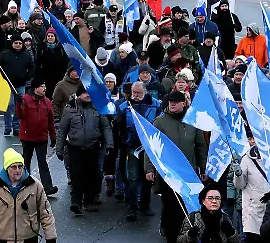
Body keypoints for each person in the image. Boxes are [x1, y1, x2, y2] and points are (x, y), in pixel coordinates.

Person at [148, 92, 208, 243]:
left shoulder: (192, 122)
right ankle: (172, 240)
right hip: (168, 173)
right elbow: (151, 148)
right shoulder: (160, 122)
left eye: (175, 102)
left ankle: (187, 236)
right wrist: (149, 169)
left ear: (184, 103)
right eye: (170, 102)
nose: (172, 105)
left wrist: (203, 169)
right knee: (171, 206)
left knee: (190, 205)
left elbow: (201, 147)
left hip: (189, 173)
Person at [57, 84, 113, 216]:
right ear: (79, 94)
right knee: (77, 175)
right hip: (75, 148)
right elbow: (62, 129)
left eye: (89, 93)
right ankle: (76, 203)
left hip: (93, 147)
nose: (87, 95)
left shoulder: (98, 107)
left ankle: (88, 201)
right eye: (84, 93)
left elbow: (106, 127)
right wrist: (59, 149)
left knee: (92, 175)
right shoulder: (70, 108)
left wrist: (109, 144)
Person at [116, 81, 161, 222]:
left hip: (150, 147)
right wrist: (125, 141)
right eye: (134, 93)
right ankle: (131, 208)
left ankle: (145, 205)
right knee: (133, 177)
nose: (135, 95)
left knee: (148, 177)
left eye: (138, 93)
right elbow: (119, 125)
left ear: (145, 92)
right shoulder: (124, 106)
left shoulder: (156, 105)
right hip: (133, 147)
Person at [236, 134, 270, 243]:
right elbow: (240, 185)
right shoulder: (246, 159)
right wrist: (238, 174)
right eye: (251, 139)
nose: (254, 142)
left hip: (268, 207)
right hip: (251, 208)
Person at [16, 79, 58, 196]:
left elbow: (50, 121)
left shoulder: (47, 102)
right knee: (26, 161)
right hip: (27, 136)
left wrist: (53, 136)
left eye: (45, 86)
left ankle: (48, 187)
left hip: (41, 137)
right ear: (35, 88)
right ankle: (23, 185)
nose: (45, 88)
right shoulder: (25, 99)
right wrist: (19, 103)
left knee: (42, 162)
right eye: (42, 86)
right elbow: (20, 115)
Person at [0, 36, 35, 136]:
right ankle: (7, 126)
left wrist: (27, 77)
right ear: (12, 43)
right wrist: (2, 78)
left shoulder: (26, 55)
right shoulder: (5, 54)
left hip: (20, 85)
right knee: (8, 105)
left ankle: (16, 126)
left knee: (19, 105)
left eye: (20, 43)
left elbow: (32, 67)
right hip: (7, 84)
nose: (18, 45)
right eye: (16, 43)